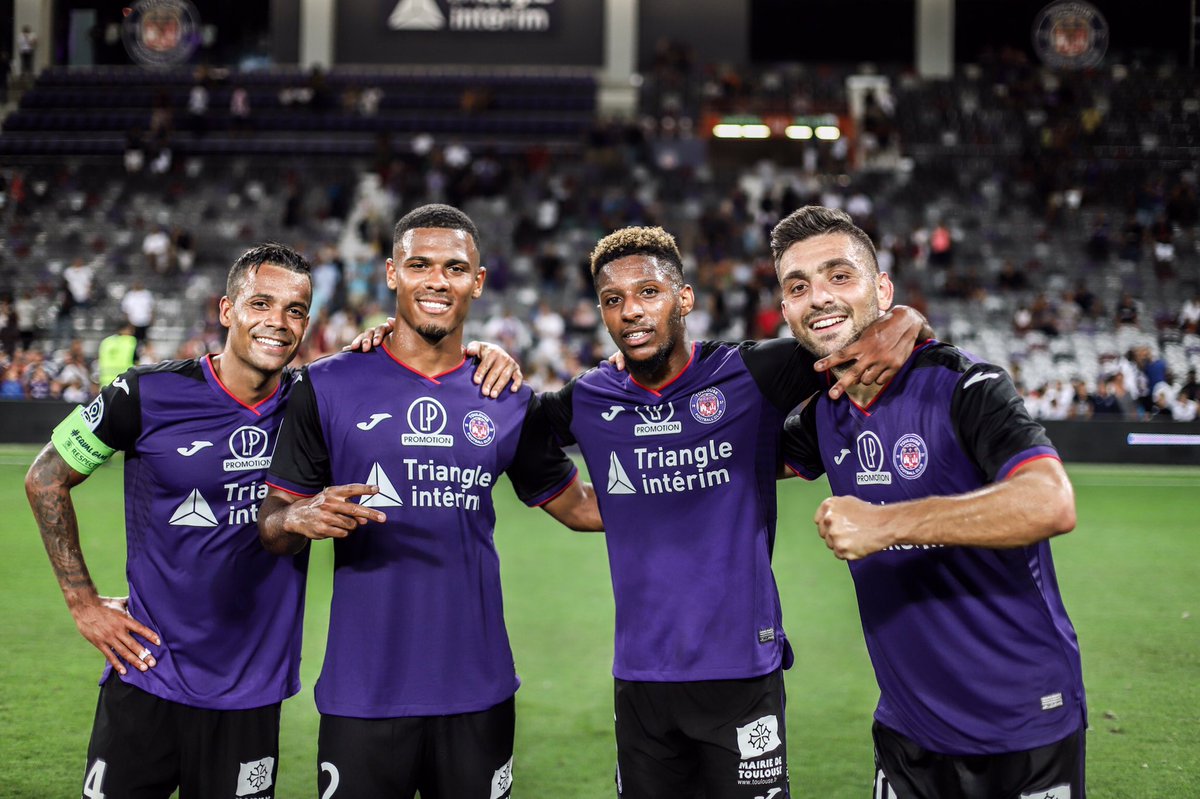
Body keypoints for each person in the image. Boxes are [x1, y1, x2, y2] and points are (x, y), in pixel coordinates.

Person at [25, 242, 524, 798]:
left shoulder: (314, 401)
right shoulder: (145, 393)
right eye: (261, 303)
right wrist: (83, 602)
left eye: (295, 310)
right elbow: (45, 478)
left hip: (253, 693)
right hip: (148, 673)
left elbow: (400, 371)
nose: (278, 323)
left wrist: (475, 350)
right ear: (226, 310)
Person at [532, 226, 928, 798]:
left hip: (743, 667)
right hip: (641, 677)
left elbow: (852, 338)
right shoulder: (591, 396)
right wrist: (587, 507)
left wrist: (905, 318)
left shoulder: (752, 374)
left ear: (685, 299)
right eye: (614, 301)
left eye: (649, 292)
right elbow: (518, 434)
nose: (631, 312)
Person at [257, 204, 603, 799]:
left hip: (477, 689)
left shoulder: (506, 397)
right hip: (362, 693)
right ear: (392, 273)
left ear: (479, 280)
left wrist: (695, 485)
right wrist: (296, 517)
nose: (437, 281)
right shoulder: (327, 384)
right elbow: (271, 524)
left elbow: (579, 509)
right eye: (419, 265)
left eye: (454, 267)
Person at [773, 206, 1085, 799]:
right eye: (798, 287)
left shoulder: (965, 384)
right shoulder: (822, 415)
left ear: (882, 289)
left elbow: (1050, 502)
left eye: (840, 276)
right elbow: (718, 468)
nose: (818, 297)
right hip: (907, 732)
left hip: (1022, 722)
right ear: (785, 309)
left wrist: (884, 524)